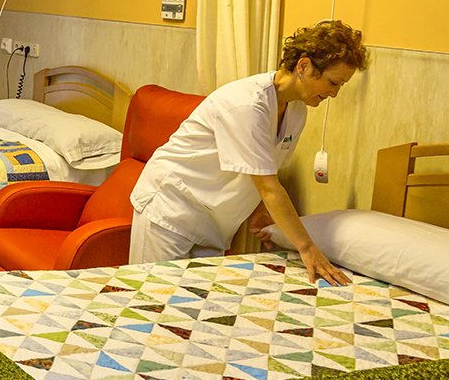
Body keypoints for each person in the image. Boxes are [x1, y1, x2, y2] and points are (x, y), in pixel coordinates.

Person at [129, 20, 370, 285]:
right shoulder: (247, 105)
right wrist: (307, 248)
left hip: (212, 223)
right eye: (333, 83)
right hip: (171, 207)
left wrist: (259, 210)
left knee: (195, 302)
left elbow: (262, 170)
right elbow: (269, 187)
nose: (334, 94)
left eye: (340, 86)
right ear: (303, 66)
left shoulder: (296, 110)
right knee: (154, 297)